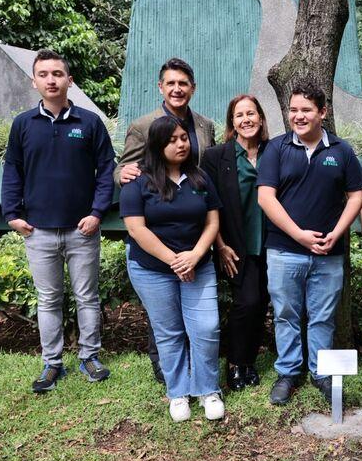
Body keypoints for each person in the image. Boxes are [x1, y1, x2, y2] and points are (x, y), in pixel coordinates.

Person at [1, 49, 116, 393]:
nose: (51, 80)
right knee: (48, 300)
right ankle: (51, 363)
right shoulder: (23, 124)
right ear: (34, 80)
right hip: (38, 231)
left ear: (69, 80)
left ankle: (89, 356)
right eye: (44, 74)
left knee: (87, 297)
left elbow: (106, 171)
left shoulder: (90, 123)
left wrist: (97, 213)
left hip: (82, 230)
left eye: (57, 73)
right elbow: (13, 171)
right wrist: (12, 215)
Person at [257, 80, 362, 406]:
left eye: (306, 110)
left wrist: (338, 231)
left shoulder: (342, 151)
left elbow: (356, 196)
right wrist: (298, 234)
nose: (298, 116)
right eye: (293, 110)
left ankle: (320, 372)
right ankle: (288, 372)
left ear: (323, 112)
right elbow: (266, 197)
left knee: (322, 316)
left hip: (328, 253)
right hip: (284, 250)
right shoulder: (276, 149)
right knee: (285, 314)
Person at [114, 57, 217, 385]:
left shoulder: (204, 125)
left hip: (194, 227)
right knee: (164, 315)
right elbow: (123, 169)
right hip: (157, 230)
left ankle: (198, 370)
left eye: (183, 83)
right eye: (170, 83)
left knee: (199, 315)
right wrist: (124, 174)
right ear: (161, 87)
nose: (177, 89)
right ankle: (168, 370)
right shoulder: (144, 126)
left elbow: (207, 174)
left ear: (193, 88)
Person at [120, 116, 224, 422]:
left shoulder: (200, 178)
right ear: (157, 145)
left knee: (206, 328)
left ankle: (207, 389)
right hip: (152, 268)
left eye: (183, 138)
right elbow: (137, 230)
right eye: (172, 140)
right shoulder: (138, 181)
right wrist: (175, 260)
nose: (181, 144)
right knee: (169, 332)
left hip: (198, 265)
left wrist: (194, 256)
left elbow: (213, 221)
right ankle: (178, 393)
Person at [201, 95, 270, 391]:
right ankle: (234, 362)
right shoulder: (217, 156)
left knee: (261, 303)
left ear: (261, 117)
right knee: (247, 303)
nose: (246, 120)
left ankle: (249, 361)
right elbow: (208, 203)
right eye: (239, 115)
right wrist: (220, 244)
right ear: (232, 123)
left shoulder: (274, 151)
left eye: (251, 113)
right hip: (235, 245)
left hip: (272, 241)